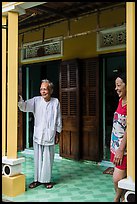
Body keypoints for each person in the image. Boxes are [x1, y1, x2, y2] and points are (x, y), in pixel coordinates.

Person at [18, 79, 62, 189]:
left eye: (45, 89)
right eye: (41, 89)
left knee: (48, 158)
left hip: (50, 134)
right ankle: (36, 180)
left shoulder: (55, 102)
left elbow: (58, 119)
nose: (43, 91)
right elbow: (24, 106)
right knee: (37, 158)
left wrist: (58, 133)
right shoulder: (36, 100)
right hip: (38, 134)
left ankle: (46, 180)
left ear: (50, 90)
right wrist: (19, 100)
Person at [110, 72, 127, 202]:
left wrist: (121, 149)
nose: (116, 88)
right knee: (119, 178)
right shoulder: (121, 100)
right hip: (116, 146)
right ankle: (122, 199)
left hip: (123, 148)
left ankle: (116, 200)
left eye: (118, 85)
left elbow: (130, 128)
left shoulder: (131, 103)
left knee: (117, 178)